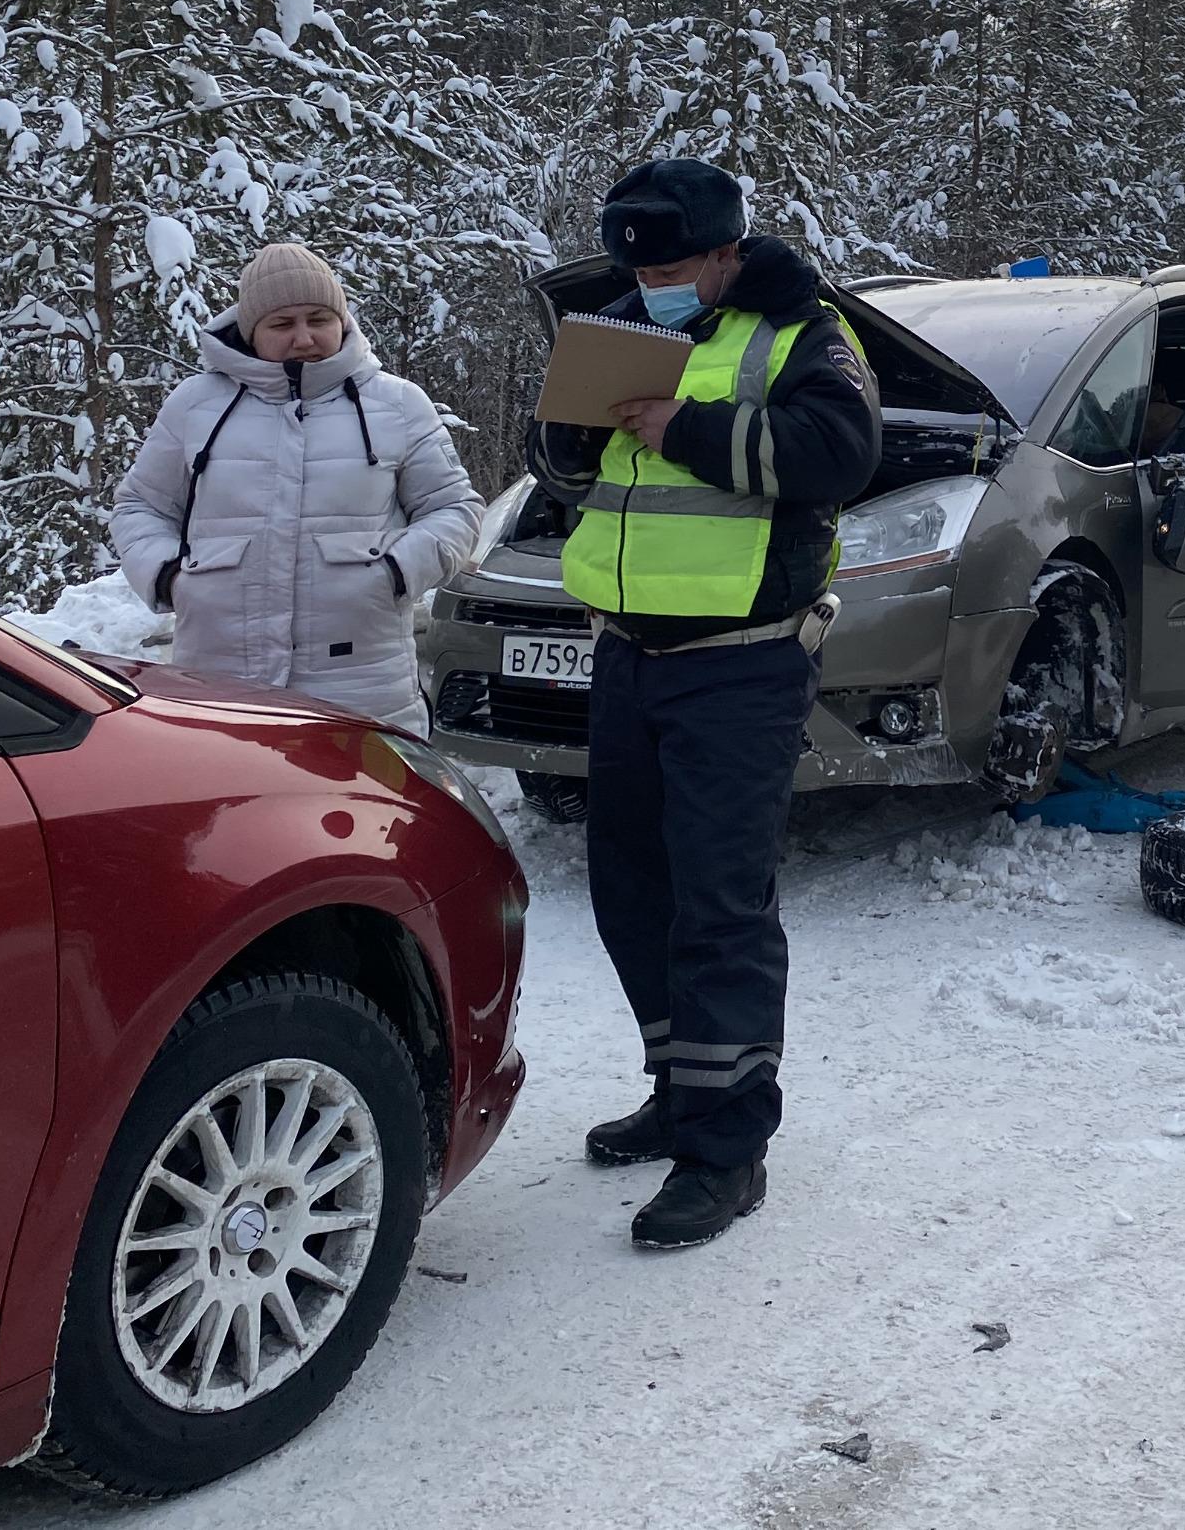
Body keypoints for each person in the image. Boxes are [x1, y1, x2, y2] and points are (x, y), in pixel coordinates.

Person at [533, 158, 879, 1249]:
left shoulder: (801, 335)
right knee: (633, 892)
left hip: (744, 663)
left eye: (677, 265)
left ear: (731, 249)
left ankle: (728, 1154)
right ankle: (681, 1090)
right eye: (641, 266)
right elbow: (575, 473)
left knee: (721, 912)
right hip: (630, 654)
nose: (656, 282)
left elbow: (842, 452)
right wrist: (575, 434)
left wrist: (680, 425)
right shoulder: (631, 326)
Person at [112, 241, 482, 732]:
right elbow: (139, 506)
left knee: (362, 808)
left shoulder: (397, 404)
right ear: (252, 331)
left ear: (342, 319)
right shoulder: (195, 405)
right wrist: (169, 578)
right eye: (282, 324)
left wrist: (395, 571)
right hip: (220, 681)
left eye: (319, 319)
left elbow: (454, 507)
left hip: (364, 682)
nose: (305, 338)